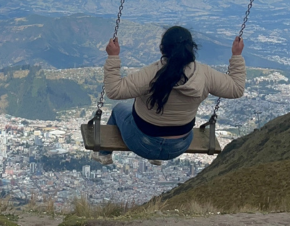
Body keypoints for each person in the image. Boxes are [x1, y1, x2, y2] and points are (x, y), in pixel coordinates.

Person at [91, 26, 246, 165]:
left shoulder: (151, 74)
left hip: (142, 143)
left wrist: (113, 56)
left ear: (162, 49)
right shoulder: (205, 75)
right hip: (178, 146)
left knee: (119, 109)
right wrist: (236, 55)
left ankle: (104, 155)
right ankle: (155, 157)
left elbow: (114, 91)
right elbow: (236, 89)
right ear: (191, 48)